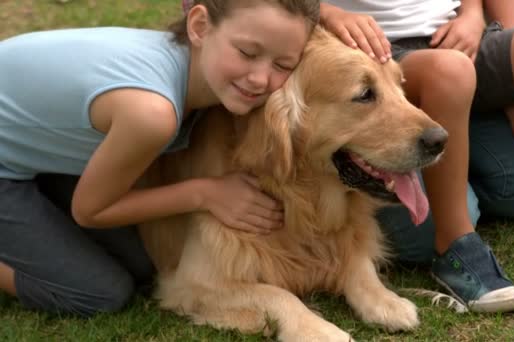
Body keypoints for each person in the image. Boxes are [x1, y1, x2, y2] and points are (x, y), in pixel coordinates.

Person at [0, 0, 320, 317]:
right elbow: (90, 211)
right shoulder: (152, 113)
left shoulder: (196, 71)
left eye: (282, 65)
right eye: (247, 53)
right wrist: (206, 193)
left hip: (31, 157)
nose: (260, 79)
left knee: (141, 261)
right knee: (99, 292)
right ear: (199, 27)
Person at [320, 0, 514, 313]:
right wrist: (328, 14)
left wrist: (471, 14)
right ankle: (454, 242)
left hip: (456, 35)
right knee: (451, 72)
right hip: (377, 54)